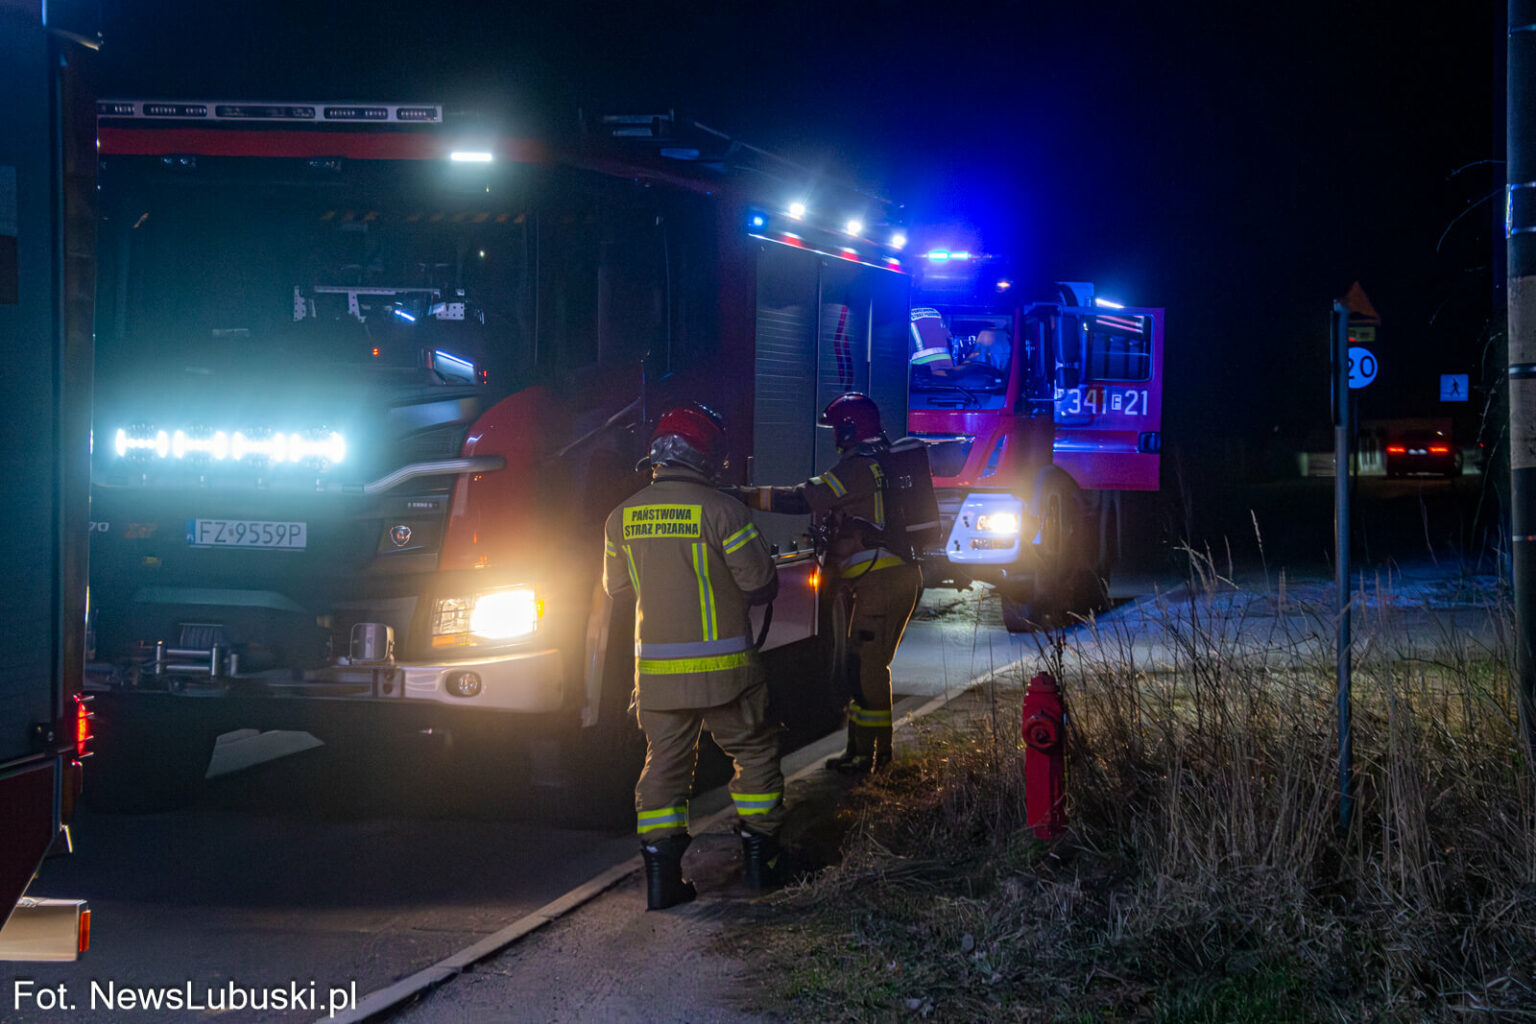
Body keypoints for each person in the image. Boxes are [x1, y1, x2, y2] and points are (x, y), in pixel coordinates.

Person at [603, 403, 784, 910]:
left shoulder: (620, 519)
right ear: (708, 457)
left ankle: (662, 881)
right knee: (753, 753)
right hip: (727, 675)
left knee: (664, 765)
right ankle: (759, 862)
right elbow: (761, 583)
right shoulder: (724, 511)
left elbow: (618, 590)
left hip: (657, 678)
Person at [736, 393, 923, 774]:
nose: (836, 436)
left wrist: (741, 496)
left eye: (838, 429)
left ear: (850, 429)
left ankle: (876, 758)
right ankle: (859, 752)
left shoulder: (857, 470)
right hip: (882, 583)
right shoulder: (875, 464)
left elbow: (801, 498)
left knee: (868, 670)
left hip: (883, 584)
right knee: (858, 668)